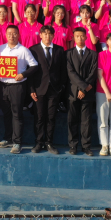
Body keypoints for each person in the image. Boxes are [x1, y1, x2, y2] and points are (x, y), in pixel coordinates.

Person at [0, 25, 39, 153]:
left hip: (17, 86)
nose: (12, 36)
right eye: (9, 33)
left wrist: (23, 74)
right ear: (5, 35)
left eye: (14, 33)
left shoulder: (24, 50)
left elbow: (34, 65)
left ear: (18, 35)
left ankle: (17, 142)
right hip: (2, 85)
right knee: (6, 113)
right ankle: (7, 138)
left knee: (17, 114)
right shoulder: (0, 48)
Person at [28, 25, 66, 154]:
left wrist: (61, 87)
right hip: (38, 89)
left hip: (54, 90)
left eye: (50, 34)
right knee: (39, 117)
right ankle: (39, 142)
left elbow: (63, 71)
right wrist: (31, 89)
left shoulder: (59, 50)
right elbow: (30, 71)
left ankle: (49, 142)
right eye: (45, 34)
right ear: (40, 35)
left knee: (51, 117)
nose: (47, 36)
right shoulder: (33, 50)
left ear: (53, 36)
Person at [66, 27, 97, 155]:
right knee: (72, 120)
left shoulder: (93, 54)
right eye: (77, 36)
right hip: (73, 92)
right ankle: (73, 145)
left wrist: (84, 89)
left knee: (86, 121)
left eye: (82, 36)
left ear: (86, 37)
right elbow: (70, 73)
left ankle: (86, 146)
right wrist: (82, 87)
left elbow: (93, 73)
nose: (79, 38)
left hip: (88, 92)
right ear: (74, 38)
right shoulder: (68, 54)